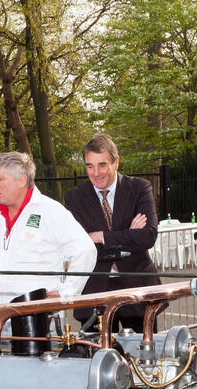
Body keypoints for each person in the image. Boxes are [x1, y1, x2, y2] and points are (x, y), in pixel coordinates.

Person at [64, 132, 160, 330]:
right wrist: (128, 236)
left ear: (115, 163)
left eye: (102, 165)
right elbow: (77, 246)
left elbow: (147, 236)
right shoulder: (74, 198)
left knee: (143, 357)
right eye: (90, 166)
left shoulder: (140, 189)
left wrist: (100, 236)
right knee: (99, 359)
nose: (96, 172)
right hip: (95, 293)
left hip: (137, 292)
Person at [0, 151, 96, 307]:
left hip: (39, 319)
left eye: (0, 179)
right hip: (1, 317)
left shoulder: (50, 211)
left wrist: (68, 291)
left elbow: (86, 250)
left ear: (22, 180)